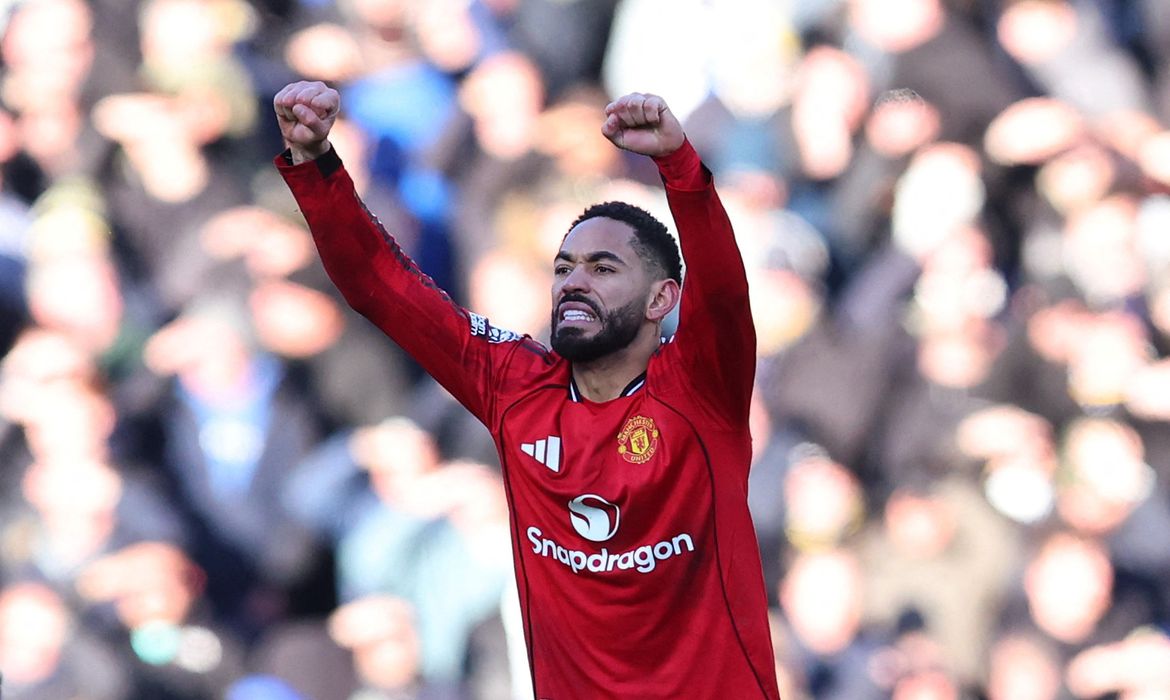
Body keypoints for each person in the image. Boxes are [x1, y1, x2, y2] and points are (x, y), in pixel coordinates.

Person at [272, 80, 781, 699]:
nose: (573, 282)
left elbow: (724, 293)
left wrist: (680, 167)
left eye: (603, 268)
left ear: (662, 298)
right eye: (563, 267)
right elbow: (380, 285)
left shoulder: (703, 391)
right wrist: (316, 165)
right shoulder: (514, 387)